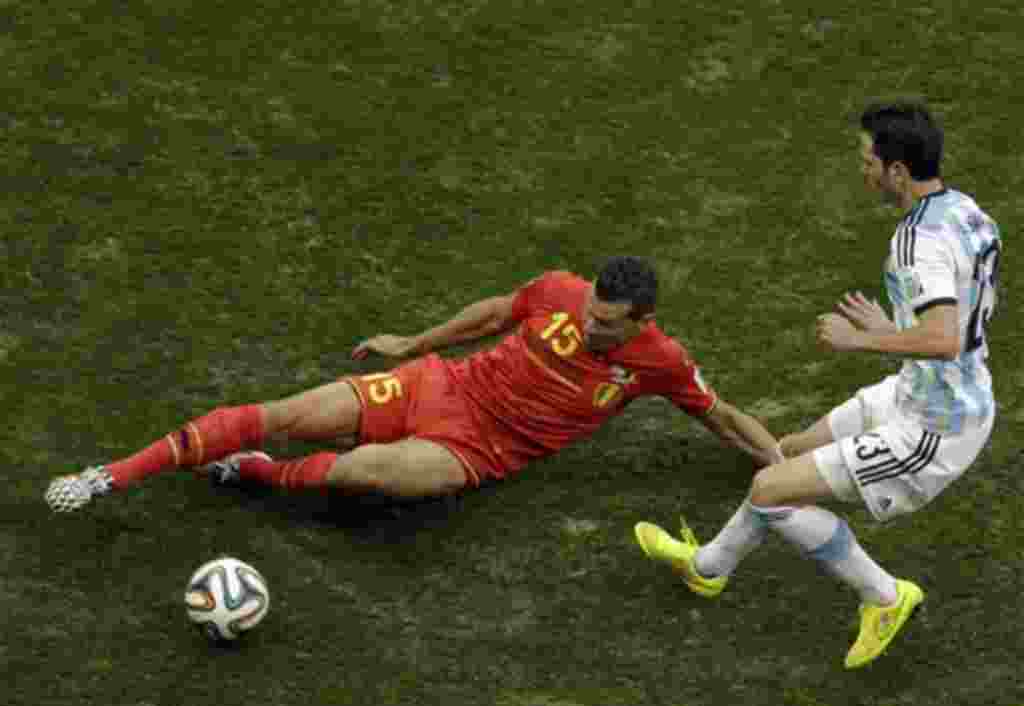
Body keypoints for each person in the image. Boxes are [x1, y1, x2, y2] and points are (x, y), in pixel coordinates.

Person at [634, 100, 1001, 668]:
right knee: (790, 452)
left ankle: (884, 597)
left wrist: (862, 341)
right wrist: (896, 327)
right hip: (924, 390)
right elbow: (959, 316)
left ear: (896, 171)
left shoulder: (915, 244)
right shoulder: (969, 213)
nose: (863, 170)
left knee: (771, 492)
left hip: (934, 428)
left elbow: (945, 337)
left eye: (867, 160)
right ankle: (707, 568)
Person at [46, 256, 782, 514]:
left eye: (609, 323)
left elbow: (719, 416)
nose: (591, 326)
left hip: (484, 448)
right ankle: (110, 476)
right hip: (443, 386)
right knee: (292, 411)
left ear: (643, 321)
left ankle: (259, 475)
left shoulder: (659, 359)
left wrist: (786, 466)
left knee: (365, 474)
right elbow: (497, 311)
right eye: (590, 310)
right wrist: (415, 343)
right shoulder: (561, 290)